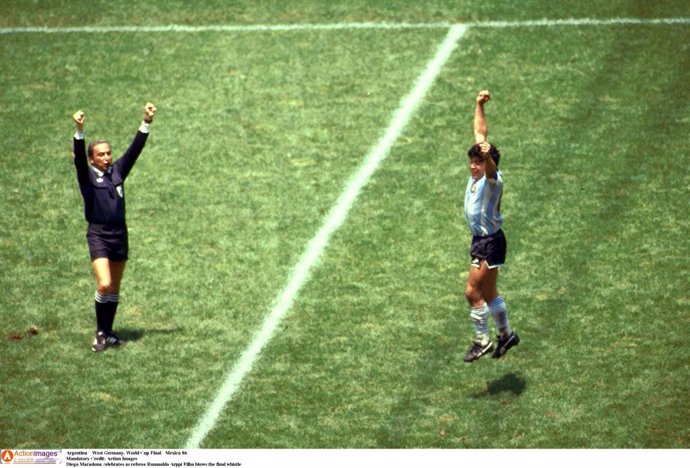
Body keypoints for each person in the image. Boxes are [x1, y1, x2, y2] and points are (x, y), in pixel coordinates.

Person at [72, 103, 157, 352]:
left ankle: (108, 332)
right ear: (91, 159)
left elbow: (134, 151)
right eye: (101, 155)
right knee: (104, 283)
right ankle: (99, 331)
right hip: (99, 235)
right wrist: (79, 130)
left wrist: (146, 122)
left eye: (108, 153)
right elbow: (78, 158)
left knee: (115, 288)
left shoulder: (118, 171)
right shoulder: (87, 176)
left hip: (120, 235)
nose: (106, 158)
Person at [462, 90, 519, 362]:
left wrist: (487, 160)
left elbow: (491, 169)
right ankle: (506, 334)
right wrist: (479, 105)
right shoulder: (477, 169)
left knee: (472, 292)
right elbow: (479, 133)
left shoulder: (492, 180)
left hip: (489, 242)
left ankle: (481, 340)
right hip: (483, 241)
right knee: (489, 292)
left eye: (478, 162)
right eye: (472, 162)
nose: (474, 166)